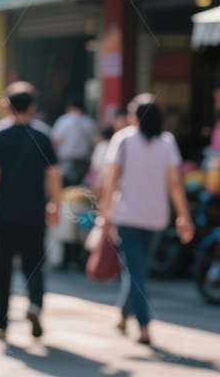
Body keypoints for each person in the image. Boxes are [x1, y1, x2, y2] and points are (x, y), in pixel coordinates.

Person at [101, 97, 194, 346]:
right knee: (137, 270)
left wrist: (105, 213)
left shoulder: (123, 139)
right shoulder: (167, 142)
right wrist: (184, 215)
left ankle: (143, 326)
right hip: (156, 217)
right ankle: (122, 315)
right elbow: (175, 184)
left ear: (133, 117)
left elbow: (111, 180)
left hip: (128, 215)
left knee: (135, 272)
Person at [0, 82, 62, 340]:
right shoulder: (43, 136)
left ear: (7, 106)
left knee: (2, 267)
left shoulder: (0, 136)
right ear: (33, 107)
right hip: (35, 211)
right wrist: (55, 204)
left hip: (5, 212)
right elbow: (53, 175)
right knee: (34, 264)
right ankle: (35, 304)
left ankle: (1, 323)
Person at [51, 95, 98, 187]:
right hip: (84, 163)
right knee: (81, 190)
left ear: (69, 107)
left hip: (66, 161)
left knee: (65, 189)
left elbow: (56, 142)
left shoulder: (63, 121)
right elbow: (95, 142)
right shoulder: (89, 122)